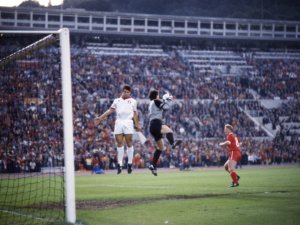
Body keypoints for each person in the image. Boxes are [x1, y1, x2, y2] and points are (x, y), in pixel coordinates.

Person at [95, 85, 141, 174]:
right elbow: (110, 110)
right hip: (119, 122)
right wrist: (101, 117)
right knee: (119, 143)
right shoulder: (117, 101)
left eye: (128, 92)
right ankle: (120, 164)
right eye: (125, 91)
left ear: (130, 93)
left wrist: (137, 124)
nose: (126, 93)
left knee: (129, 142)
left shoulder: (133, 101)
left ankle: (129, 164)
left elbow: (135, 114)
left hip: (128, 122)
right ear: (122, 92)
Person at [148, 90, 182, 176]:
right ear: (156, 96)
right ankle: (173, 144)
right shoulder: (156, 101)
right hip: (156, 123)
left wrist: (166, 100)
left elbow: (162, 108)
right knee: (169, 131)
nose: (159, 96)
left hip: (152, 125)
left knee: (161, 148)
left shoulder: (152, 103)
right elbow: (166, 107)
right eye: (158, 95)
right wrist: (169, 100)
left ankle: (153, 165)